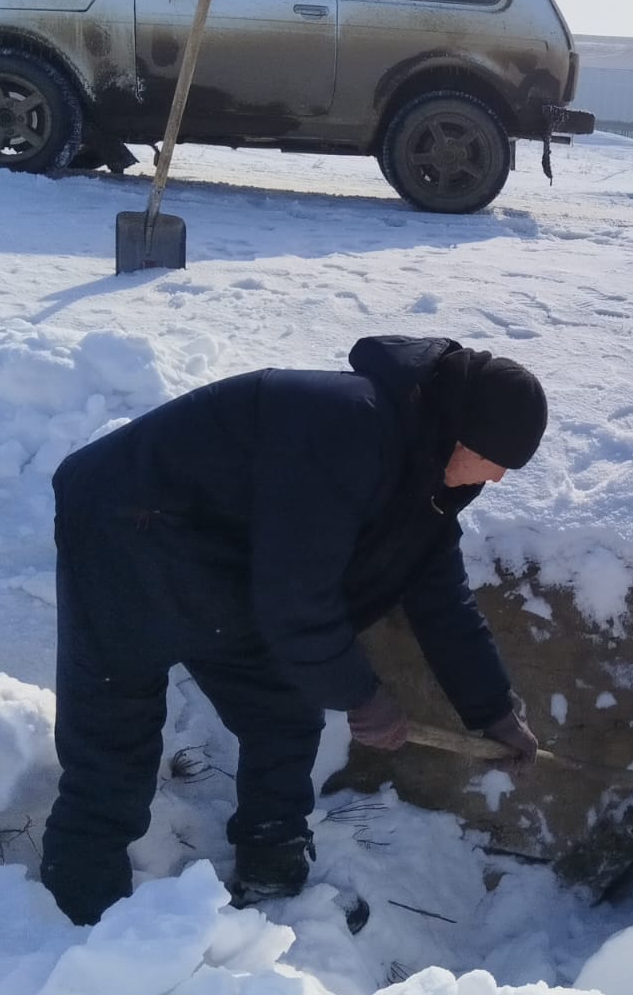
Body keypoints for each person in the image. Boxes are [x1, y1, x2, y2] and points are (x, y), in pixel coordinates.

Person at [39, 335, 547, 926]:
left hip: (223, 558)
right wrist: (363, 695)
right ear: (464, 434)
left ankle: (271, 869)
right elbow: (297, 598)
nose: (499, 478)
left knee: (282, 714)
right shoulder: (348, 426)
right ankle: (80, 914)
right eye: (497, 460)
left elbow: (442, 601)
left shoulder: (425, 472)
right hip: (126, 523)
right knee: (115, 729)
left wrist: (493, 711)